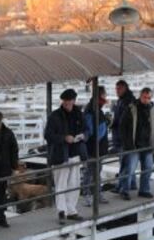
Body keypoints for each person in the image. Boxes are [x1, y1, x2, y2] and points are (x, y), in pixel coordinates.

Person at [44, 88, 88, 224]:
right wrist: (64, 138)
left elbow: (86, 129)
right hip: (60, 155)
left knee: (74, 184)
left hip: (75, 153)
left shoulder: (78, 113)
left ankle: (72, 210)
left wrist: (83, 136)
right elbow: (48, 135)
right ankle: (61, 211)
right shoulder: (54, 116)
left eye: (70, 101)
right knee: (61, 185)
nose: (68, 103)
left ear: (74, 101)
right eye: (66, 101)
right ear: (63, 101)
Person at [119, 87, 154, 200]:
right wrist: (127, 144)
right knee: (129, 169)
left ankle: (144, 190)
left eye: (149, 98)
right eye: (145, 97)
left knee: (148, 168)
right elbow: (122, 127)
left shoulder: (153, 109)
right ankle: (124, 190)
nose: (147, 100)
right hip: (134, 145)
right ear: (140, 96)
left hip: (147, 145)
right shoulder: (131, 108)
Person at [82, 86, 111, 207]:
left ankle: (96, 194)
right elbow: (91, 130)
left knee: (96, 171)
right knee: (90, 171)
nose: (105, 98)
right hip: (93, 147)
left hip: (98, 147)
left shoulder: (97, 108)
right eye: (104, 95)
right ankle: (87, 195)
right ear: (100, 96)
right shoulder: (91, 110)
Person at [110, 79, 137, 196]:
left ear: (125, 88)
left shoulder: (127, 102)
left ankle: (122, 188)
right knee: (127, 163)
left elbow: (123, 123)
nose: (117, 91)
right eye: (116, 89)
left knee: (125, 164)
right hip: (125, 138)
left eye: (119, 89)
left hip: (125, 139)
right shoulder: (124, 101)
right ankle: (132, 184)